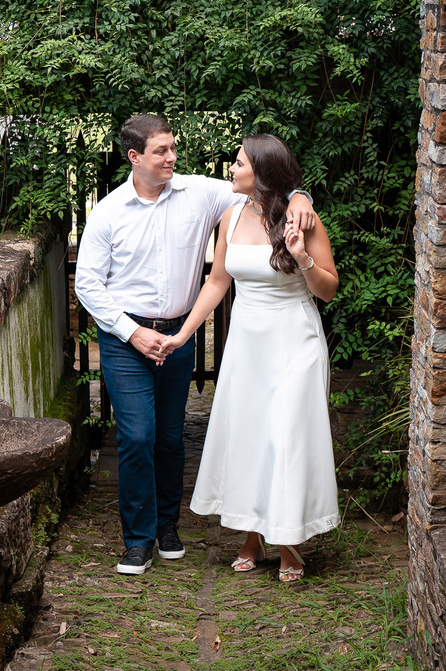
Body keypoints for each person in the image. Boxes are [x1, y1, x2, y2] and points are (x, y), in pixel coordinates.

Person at [74, 115, 315, 575]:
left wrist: (302, 195)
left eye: (172, 148)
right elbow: (87, 285)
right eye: (161, 151)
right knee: (137, 435)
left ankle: (168, 528)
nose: (172, 157)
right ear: (135, 157)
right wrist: (132, 332)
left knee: (168, 438)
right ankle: (138, 539)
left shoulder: (199, 193)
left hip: (178, 335)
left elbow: (267, 187)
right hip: (127, 338)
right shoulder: (108, 212)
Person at [159, 133, 340, 583]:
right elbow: (218, 282)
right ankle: (252, 536)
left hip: (294, 339)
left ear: (262, 171)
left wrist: (301, 258)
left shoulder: (304, 220)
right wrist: (183, 335)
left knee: (286, 437)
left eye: (238, 162)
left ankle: (288, 542)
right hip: (246, 342)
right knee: (251, 435)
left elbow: (329, 290)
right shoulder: (232, 215)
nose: (231, 169)